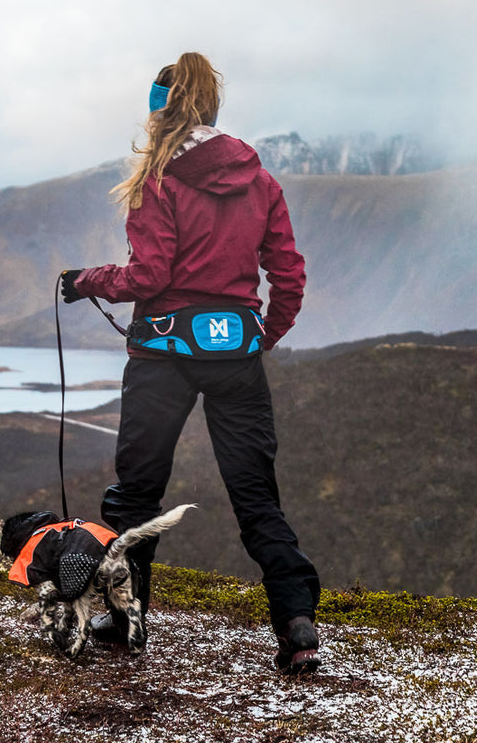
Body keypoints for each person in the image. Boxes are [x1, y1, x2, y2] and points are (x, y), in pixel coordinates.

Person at [60, 52, 321, 674]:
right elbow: (288, 274)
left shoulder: (158, 182)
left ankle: (126, 619)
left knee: (137, 494)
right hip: (236, 357)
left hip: (163, 354)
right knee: (256, 495)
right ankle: (296, 623)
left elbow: (150, 274)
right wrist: (260, 338)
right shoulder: (260, 181)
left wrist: (85, 280)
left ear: (160, 113)